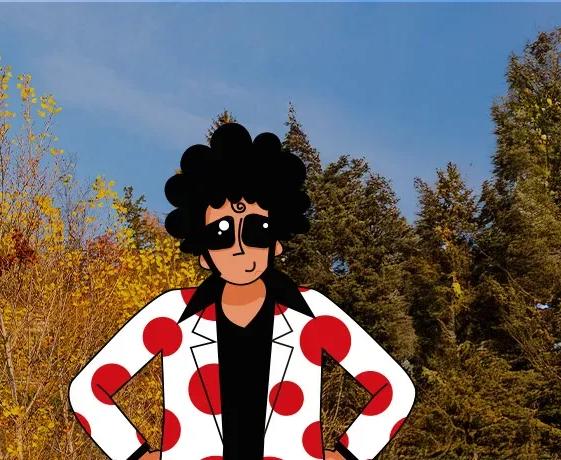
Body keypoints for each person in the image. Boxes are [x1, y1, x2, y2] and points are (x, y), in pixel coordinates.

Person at [68, 123, 414, 460]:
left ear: (276, 243)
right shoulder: (171, 315)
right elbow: (88, 391)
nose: (238, 247)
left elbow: (395, 390)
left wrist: (348, 454)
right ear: (203, 253)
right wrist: (136, 454)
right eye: (220, 234)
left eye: (257, 230)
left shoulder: (313, 314)